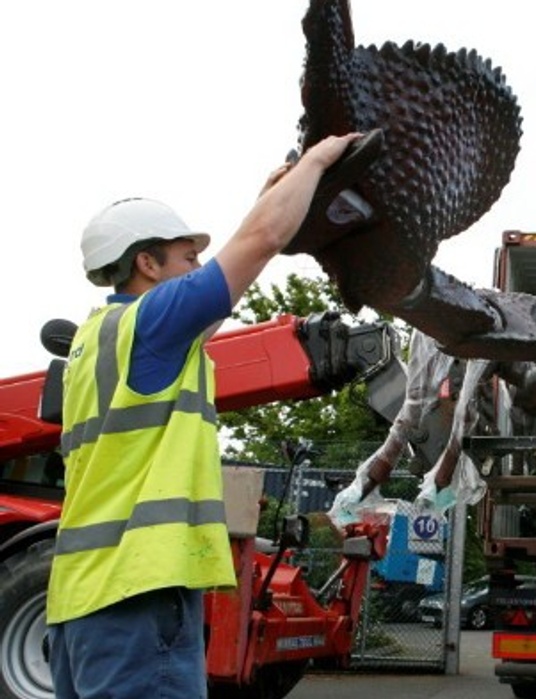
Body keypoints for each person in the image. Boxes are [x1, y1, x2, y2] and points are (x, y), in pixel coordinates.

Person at [46, 132, 362, 699]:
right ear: (146, 262)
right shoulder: (153, 321)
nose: (200, 269)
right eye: (187, 259)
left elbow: (232, 278)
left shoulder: (97, 338)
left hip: (80, 601)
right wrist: (317, 160)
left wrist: (271, 197)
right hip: (138, 593)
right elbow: (260, 240)